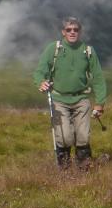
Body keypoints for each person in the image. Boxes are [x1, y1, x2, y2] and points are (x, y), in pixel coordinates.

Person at [33, 17, 107, 170]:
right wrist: (40, 81)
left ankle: (84, 166)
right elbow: (40, 71)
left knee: (83, 136)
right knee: (65, 137)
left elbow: (98, 77)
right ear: (63, 32)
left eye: (76, 29)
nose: (72, 32)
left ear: (80, 32)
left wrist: (99, 103)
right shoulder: (53, 49)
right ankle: (65, 168)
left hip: (81, 99)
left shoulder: (88, 51)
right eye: (69, 30)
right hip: (59, 99)